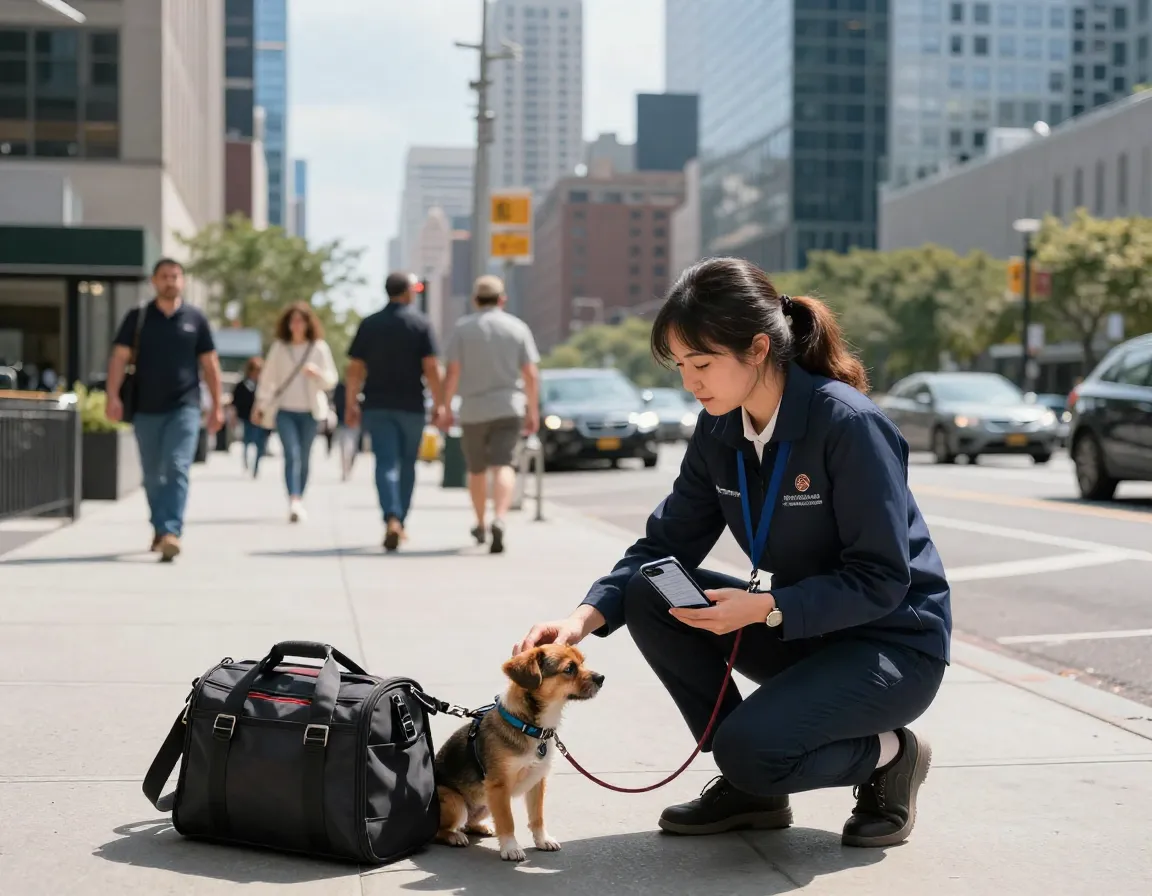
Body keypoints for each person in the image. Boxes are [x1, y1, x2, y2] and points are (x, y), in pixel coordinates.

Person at [514, 256, 952, 849]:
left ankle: (891, 755)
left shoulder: (847, 424)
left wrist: (765, 607)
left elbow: (881, 579)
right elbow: (662, 544)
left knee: (746, 747)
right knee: (649, 588)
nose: (691, 382)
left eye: (702, 363)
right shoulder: (720, 426)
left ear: (757, 349)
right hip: (800, 627)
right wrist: (579, 620)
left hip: (891, 645)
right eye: (681, 366)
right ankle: (756, 786)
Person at [106, 258, 224, 561]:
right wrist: (112, 396)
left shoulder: (195, 318)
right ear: (154, 282)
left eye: (175, 276)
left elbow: (210, 365)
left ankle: (171, 530)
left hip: (184, 406)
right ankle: (160, 527)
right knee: (151, 473)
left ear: (182, 281)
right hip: (146, 407)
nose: (170, 281)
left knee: (177, 465)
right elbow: (119, 358)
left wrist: (217, 406)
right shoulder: (139, 317)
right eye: (164, 277)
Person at [345, 272, 448, 551]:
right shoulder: (421, 324)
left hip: (376, 405)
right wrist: (440, 404)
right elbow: (431, 368)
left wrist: (350, 404)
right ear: (408, 293)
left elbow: (355, 370)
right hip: (411, 406)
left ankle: (390, 516)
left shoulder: (369, 324)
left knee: (385, 463)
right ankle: (400, 518)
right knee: (407, 465)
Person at [441, 275, 540, 553]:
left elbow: (452, 373)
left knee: (476, 470)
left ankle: (481, 522)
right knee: (504, 465)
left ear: (475, 300)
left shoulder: (463, 329)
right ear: (502, 299)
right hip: (509, 407)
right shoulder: (517, 328)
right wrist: (533, 409)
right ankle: (500, 517)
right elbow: (530, 374)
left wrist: (446, 407)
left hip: (473, 410)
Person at [253, 302, 339, 522]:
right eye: (293, 320)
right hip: (285, 411)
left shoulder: (318, 347)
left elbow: (331, 380)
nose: (297, 325)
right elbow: (266, 380)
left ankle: (300, 495)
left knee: (305, 456)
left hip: (310, 411)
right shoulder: (280, 348)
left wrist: (317, 373)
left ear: (309, 323)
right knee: (291, 454)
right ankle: (293, 499)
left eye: (301, 320)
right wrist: (260, 405)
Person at [230, 356, 269, 477]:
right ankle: (246, 460)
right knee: (247, 439)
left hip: (261, 418)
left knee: (260, 443)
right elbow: (235, 402)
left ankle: (256, 466)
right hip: (246, 417)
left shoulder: (265, 386)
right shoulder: (242, 385)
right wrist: (234, 416)